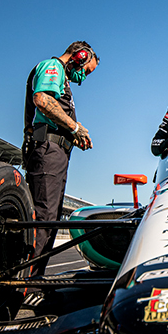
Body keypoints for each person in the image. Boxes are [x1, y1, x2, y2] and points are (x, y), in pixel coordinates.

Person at [23, 40, 99, 275]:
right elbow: (42, 100)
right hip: (48, 151)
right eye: (86, 70)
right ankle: (26, 282)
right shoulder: (52, 67)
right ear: (80, 56)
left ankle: (35, 278)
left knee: (50, 218)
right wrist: (75, 127)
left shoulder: (62, 79)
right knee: (43, 216)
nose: (84, 77)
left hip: (56, 151)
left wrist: (73, 135)